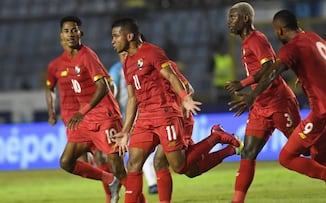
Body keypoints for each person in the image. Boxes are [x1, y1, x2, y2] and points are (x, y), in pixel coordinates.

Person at [224, 3, 326, 203]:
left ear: (280, 30)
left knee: (298, 154)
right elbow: (318, 64)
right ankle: (237, 200)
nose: (230, 22)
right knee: (249, 151)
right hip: (267, 106)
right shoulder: (315, 38)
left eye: (233, 17)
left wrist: (248, 90)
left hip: (284, 104)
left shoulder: (274, 44)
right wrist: (305, 75)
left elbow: (271, 69)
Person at [110, 18, 241, 203]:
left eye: (116, 36)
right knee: (134, 164)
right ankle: (227, 149)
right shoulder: (126, 63)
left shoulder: (153, 53)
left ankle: (216, 137)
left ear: (129, 36)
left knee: (181, 167)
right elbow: (133, 99)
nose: (112, 41)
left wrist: (185, 100)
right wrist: (125, 131)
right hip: (146, 118)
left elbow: (178, 81)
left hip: (169, 116)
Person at [46, 16, 127, 203]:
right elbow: (51, 89)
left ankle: (133, 198)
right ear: (61, 36)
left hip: (102, 116)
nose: (71, 34)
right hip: (83, 119)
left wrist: (86, 110)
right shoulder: (62, 63)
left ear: (80, 33)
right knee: (67, 162)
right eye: (66, 31)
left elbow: (106, 85)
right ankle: (111, 182)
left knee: (114, 164)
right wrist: (54, 112)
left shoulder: (87, 55)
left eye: (74, 30)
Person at [109, 60, 159, 195]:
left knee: (140, 149)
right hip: (126, 114)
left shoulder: (144, 64)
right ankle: (144, 185)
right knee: (134, 152)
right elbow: (113, 91)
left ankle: (150, 183)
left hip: (144, 111)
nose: (124, 56)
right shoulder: (117, 69)